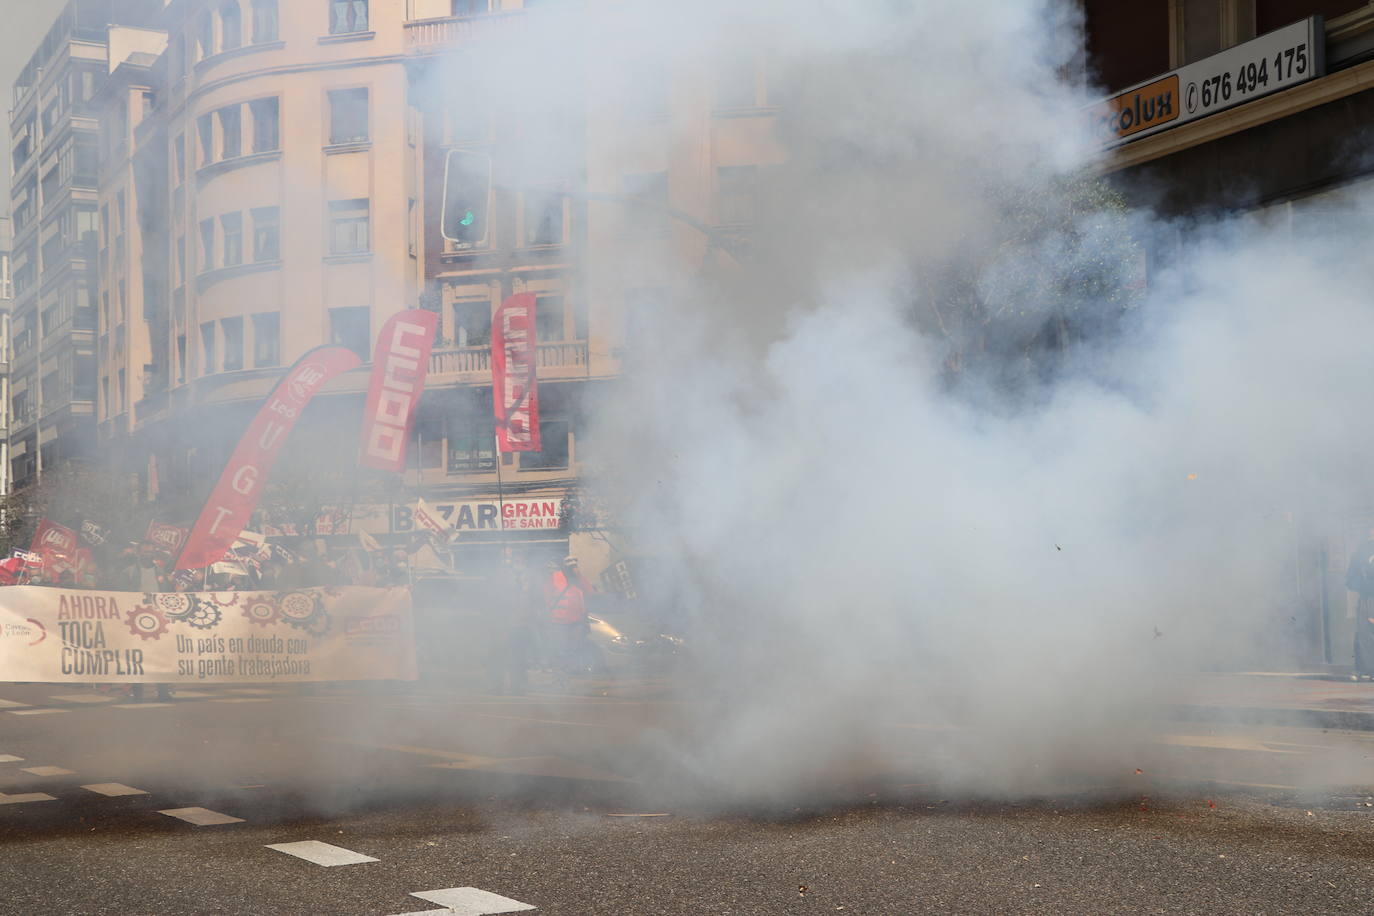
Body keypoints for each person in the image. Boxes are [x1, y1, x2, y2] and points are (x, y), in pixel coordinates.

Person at [543, 555, 594, 678]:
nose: (574, 569)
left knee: (574, 648)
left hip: (576, 620)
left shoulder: (579, 579)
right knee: (561, 650)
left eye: (575, 566)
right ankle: (560, 675)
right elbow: (546, 596)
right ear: (565, 567)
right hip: (559, 621)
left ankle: (570, 673)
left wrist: (579, 578)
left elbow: (590, 592)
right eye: (571, 566)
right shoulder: (555, 577)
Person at [1347, 527, 1374, 681]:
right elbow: (1350, 578)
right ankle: (1363, 668)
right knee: (1364, 633)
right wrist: (1363, 585)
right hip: (1367, 598)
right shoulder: (1361, 552)